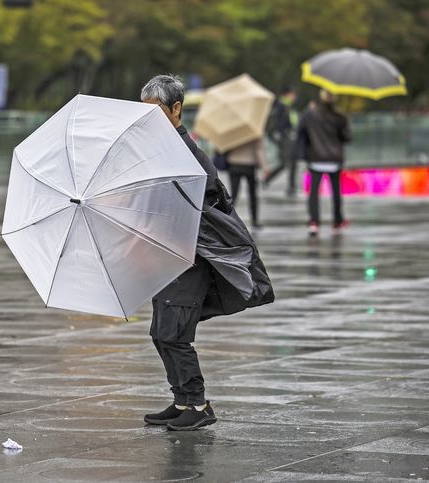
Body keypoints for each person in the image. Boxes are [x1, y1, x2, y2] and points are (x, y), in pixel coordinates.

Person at [140, 75, 274, 431]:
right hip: (168, 254)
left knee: (175, 333)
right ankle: (182, 398)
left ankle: (198, 406)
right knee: (161, 330)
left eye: (154, 112)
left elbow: (200, 207)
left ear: (176, 109)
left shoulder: (185, 154)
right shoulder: (161, 151)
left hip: (191, 257)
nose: (147, 120)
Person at [295, 89, 351, 236]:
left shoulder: (310, 115)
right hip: (334, 159)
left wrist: (304, 153)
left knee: (314, 192)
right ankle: (337, 221)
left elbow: (301, 132)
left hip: (315, 158)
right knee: (336, 191)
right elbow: (347, 138)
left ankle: (314, 221)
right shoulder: (339, 116)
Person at [227, 138, 269, 229]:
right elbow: (259, 149)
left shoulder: (232, 131)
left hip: (234, 163)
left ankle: (228, 218)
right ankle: (254, 220)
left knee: (234, 194)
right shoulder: (254, 131)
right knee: (252, 194)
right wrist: (265, 167)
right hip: (249, 164)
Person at [264, 85, 299, 196]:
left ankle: (291, 187)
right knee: (286, 163)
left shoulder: (289, 106)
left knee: (292, 162)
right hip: (285, 139)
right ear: (288, 94)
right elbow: (278, 123)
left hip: (291, 138)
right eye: (293, 94)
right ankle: (268, 179)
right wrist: (282, 135)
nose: (295, 97)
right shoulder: (281, 105)